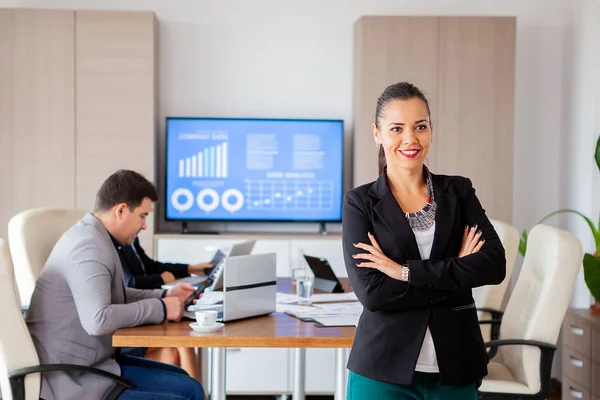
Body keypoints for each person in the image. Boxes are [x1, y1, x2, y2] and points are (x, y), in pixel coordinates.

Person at [342, 82, 506, 399]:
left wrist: (405, 272)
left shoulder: (458, 192)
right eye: (396, 128)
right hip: (383, 368)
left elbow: (494, 265)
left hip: (456, 365)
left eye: (420, 126)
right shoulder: (359, 203)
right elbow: (373, 295)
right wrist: (456, 271)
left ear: (431, 130)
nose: (410, 139)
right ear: (377, 133)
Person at [26, 169, 205, 400]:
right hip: (72, 379)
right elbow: (98, 320)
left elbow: (114, 295)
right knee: (187, 395)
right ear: (121, 210)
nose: (144, 226)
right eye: (142, 216)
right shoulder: (88, 247)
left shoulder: (96, 237)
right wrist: (161, 309)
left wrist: (164, 295)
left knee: (190, 387)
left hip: (94, 365)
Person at [119, 238, 213, 379]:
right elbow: (129, 283)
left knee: (176, 348)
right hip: (129, 326)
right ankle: (198, 394)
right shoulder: (116, 243)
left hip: (147, 312)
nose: (144, 225)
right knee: (180, 341)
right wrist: (161, 279)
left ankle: (195, 393)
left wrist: (189, 268)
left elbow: (150, 265)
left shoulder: (131, 239)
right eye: (142, 216)